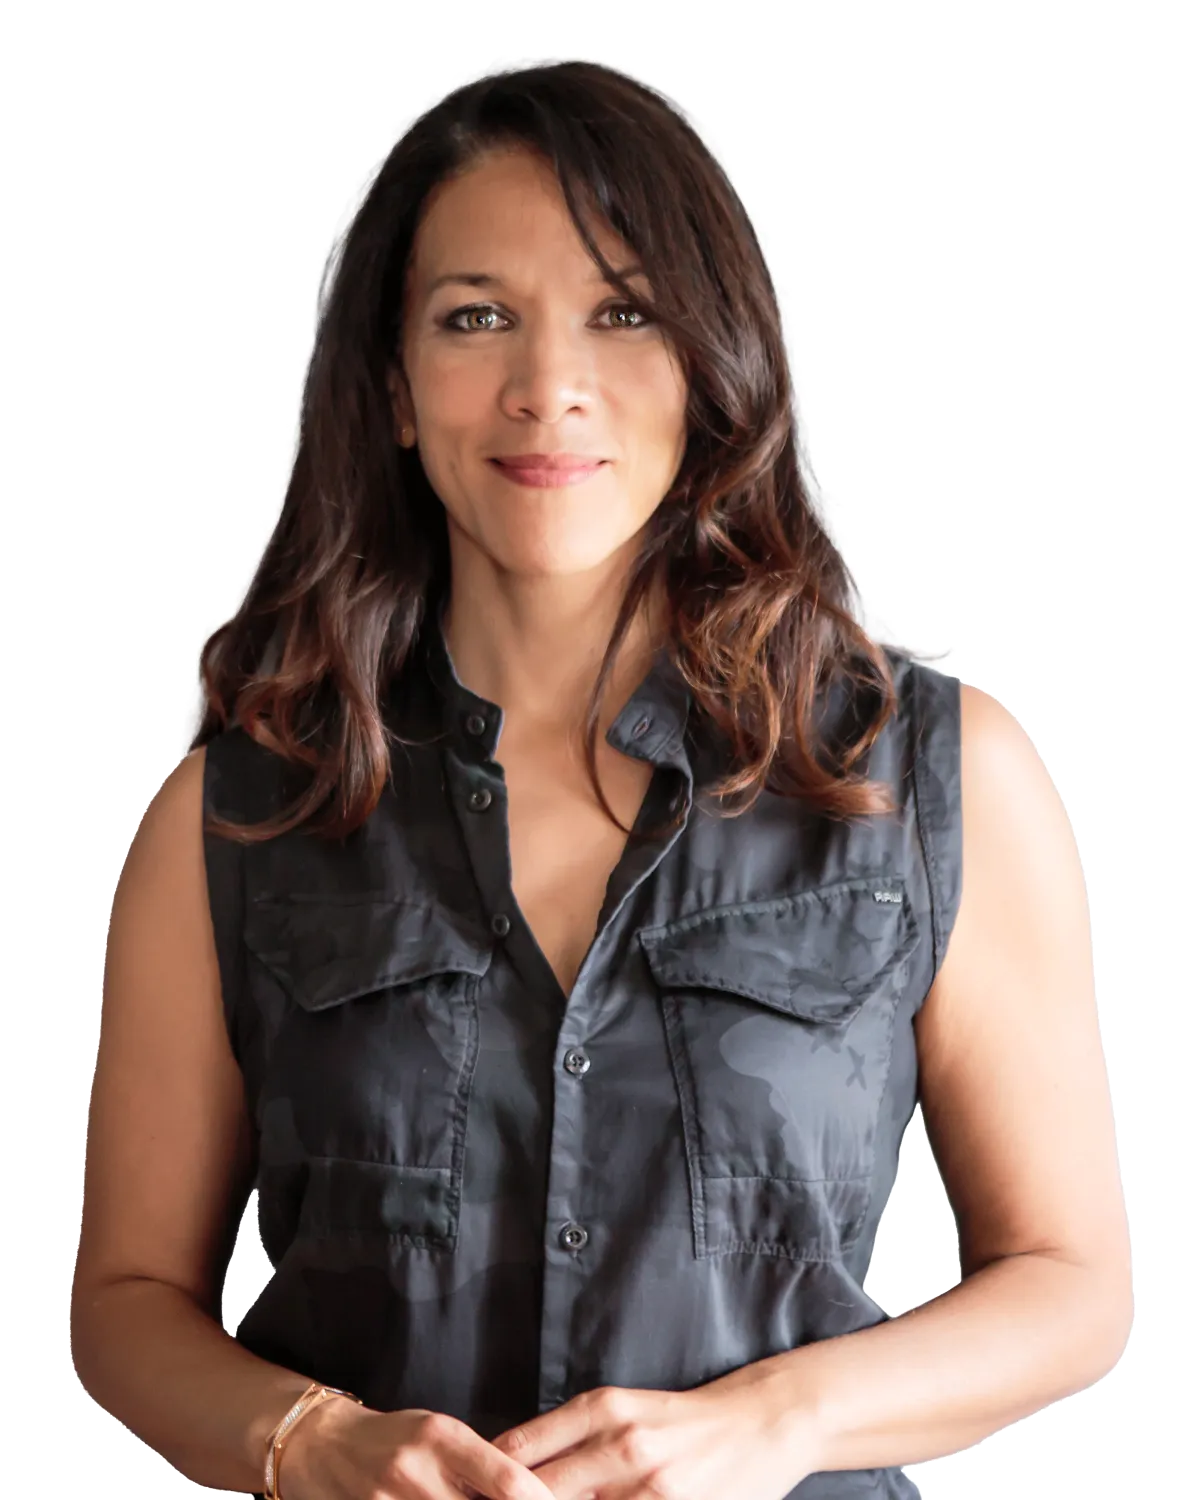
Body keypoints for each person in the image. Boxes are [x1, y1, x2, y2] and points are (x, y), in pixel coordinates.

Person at [69, 59, 1133, 1500]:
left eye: (622, 314)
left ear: (707, 364)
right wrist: (312, 1442)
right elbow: (129, 1302)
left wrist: (784, 1420)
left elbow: (1070, 1284)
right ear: (393, 385)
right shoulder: (243, 815)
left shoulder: (930, 780)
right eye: (475, 319)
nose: (546, 387)